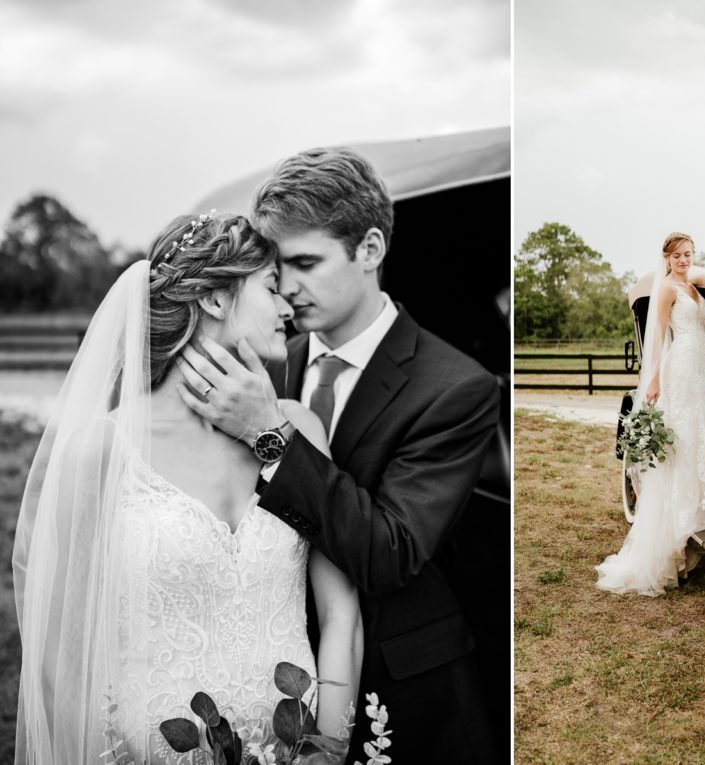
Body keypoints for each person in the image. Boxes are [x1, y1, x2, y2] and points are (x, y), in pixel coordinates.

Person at [176, 148, 502, 762]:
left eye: (306, 262)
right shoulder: (267, 360)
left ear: (370, 249)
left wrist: (268, 433)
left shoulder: (457, 387)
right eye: (276, 269)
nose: (288, 289)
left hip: (405, 690)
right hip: (262, 683)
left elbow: (389, 552)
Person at [13, 213, 362, 764]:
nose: (287, 309)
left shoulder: (299, 431)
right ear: (217, 301)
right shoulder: (103, 451)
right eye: (271, 288)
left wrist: (330, 751)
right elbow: (61, 656)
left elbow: (341, 611)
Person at [596, 232, 705, 597]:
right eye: (678, 255)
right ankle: (671, 544)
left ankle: (695, 522)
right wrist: (656, 379)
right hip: (678, 369)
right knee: (680, 445)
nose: (684, 260)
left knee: (701, 439)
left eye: (689, 254)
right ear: (667, 258)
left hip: (700, 373)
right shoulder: (667, 289)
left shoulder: (695, 289)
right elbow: (660, 336)